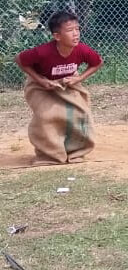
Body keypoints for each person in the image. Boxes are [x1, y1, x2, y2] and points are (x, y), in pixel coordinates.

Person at [16, 11, 102, 164]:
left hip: (68, 83)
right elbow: (20, 60)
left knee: (80, 113)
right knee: (46, 116)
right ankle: (50, 155)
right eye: (70, 31)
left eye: (77, 29)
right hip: (41, 85)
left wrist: (79, 78)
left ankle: (76, 152)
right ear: (57, 36)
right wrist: (40, 80)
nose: (76, 34)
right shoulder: (43, 52)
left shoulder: (81, 50)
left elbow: (97, 62)